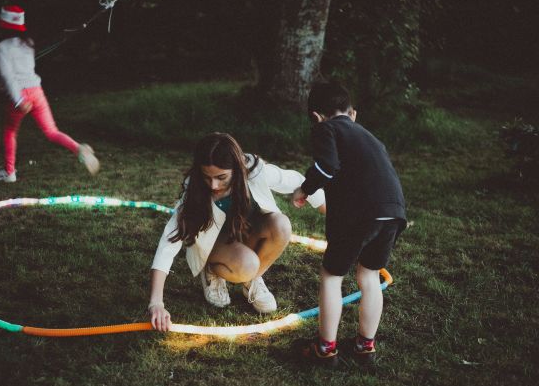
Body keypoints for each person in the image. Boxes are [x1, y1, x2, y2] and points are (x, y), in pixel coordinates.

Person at [149, 132, 325, 331]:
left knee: (281, 225)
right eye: (207, 177)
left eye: (221, 177)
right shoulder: (195, 189)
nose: (214, 185)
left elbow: (295, 179)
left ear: (238, 169)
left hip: (243, 233)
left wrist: (324, 205)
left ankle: (252, 280)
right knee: (247, 264)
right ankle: (212, 270)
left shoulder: (255, 171)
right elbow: (168, 243)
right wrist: (156, 303)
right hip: (214, 243)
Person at [292, 82, 406, 366]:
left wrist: (305, 189)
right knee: (369, 277)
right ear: (352, 113)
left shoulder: (326, 129)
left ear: (316, 117)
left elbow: (326, 167)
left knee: (332, 276)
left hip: (361, 215)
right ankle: (364, 346)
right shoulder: (369, 136)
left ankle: (325, 349)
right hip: (393, 212)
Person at [0, 5, 99, 183]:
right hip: (37, 91)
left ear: (2, 25)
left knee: (10, 131)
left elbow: (8, 76)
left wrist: (18, 100)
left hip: (21, 95)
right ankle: (78, 148)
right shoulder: (29, 43)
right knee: (51, 131)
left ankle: (9, 172)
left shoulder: (0, 48)